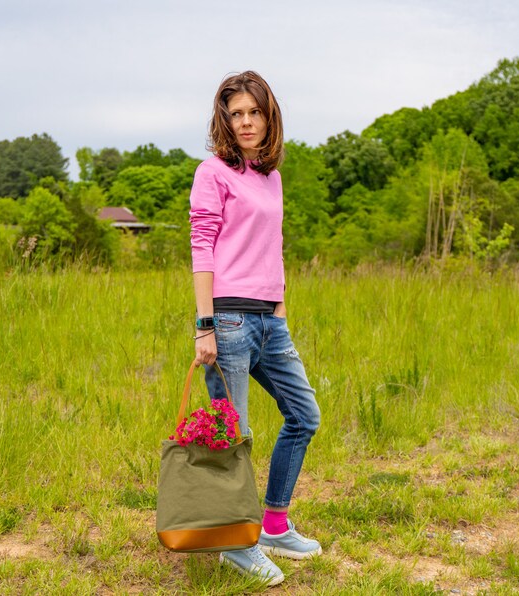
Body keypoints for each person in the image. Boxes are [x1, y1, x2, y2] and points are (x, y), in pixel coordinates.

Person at [189, 71, 322, 586]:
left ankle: (273, 524)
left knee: (304, 415)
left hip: (271, 320)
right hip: (228, 320)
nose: (245, 122)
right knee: (234, 436)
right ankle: (237, 545)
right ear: (225, 119)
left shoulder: (270, 175)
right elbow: (202, 247)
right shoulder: (212, 172)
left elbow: (275, 247)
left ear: (270, 117)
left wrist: (282, 309)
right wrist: (205, 326)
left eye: (254, 112)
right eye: (236, 113)